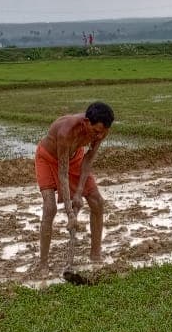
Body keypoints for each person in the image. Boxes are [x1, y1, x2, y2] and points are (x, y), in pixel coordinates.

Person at [35, 101, 115, 271]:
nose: (99, 136)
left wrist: (79, 192)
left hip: (75, 158)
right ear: (86, 122)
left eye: (103, 133)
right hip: (48, 158)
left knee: (97, 202)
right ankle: (43, 264)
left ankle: (95, 255)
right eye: (96, 132)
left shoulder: (101, 130)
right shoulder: (66, 131)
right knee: (50, 208)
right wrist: (70, 213)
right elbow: (62, 173)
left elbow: (87, 160)